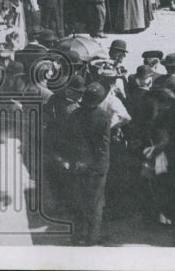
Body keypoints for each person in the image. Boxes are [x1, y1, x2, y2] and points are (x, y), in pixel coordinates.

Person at [61, 82, 112, 245]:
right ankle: (92, 237)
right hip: (95, 166)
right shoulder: (103, 116)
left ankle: (77, 235)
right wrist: (101, 166)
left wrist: (72, 160)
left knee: (78, 201)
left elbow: (68, 140)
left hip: (78, 163)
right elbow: (103, 145)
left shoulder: (74, 114)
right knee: (95, 203)